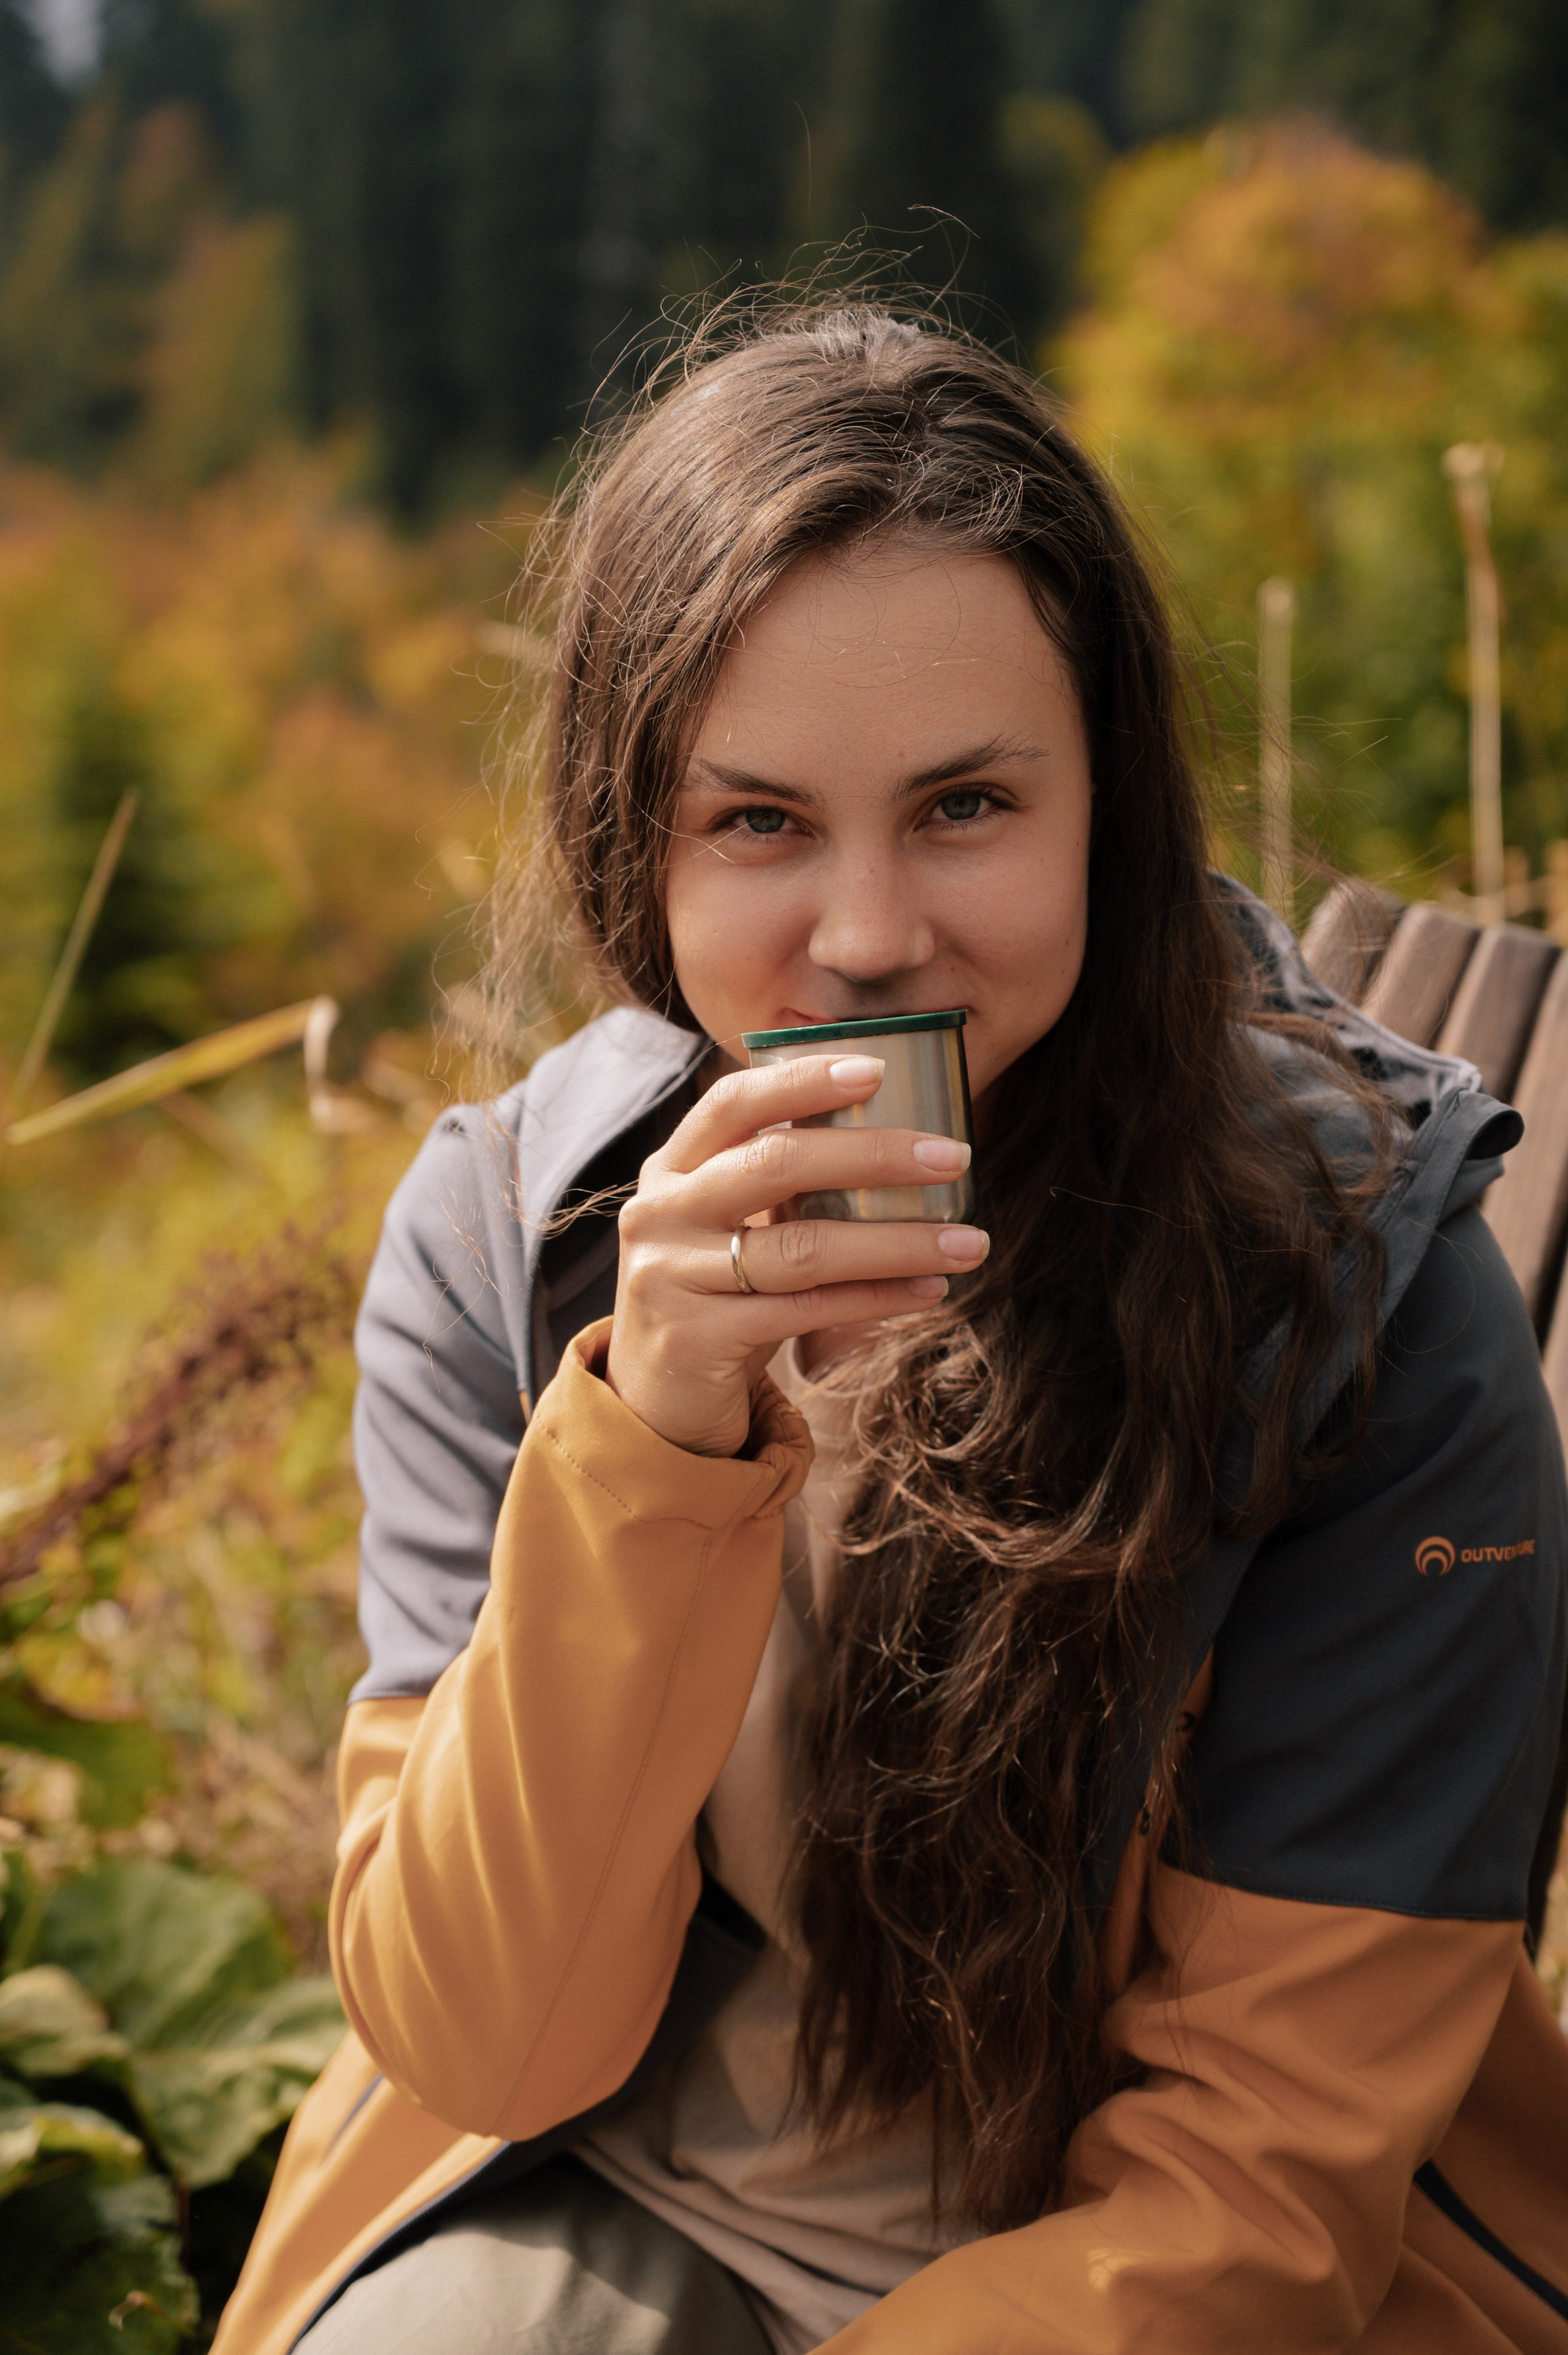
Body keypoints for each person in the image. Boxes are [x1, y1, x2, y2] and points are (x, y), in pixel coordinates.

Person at [214, 306, 1568, 2355]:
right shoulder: (508, 1243)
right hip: (613, 2165)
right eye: (757, 821)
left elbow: (1266, 2186)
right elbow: (492, 2041)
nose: (864, 933)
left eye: (964, 808)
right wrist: (657, 1439)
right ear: (629, 833)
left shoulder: (1364, 1296)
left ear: (1107, 806)